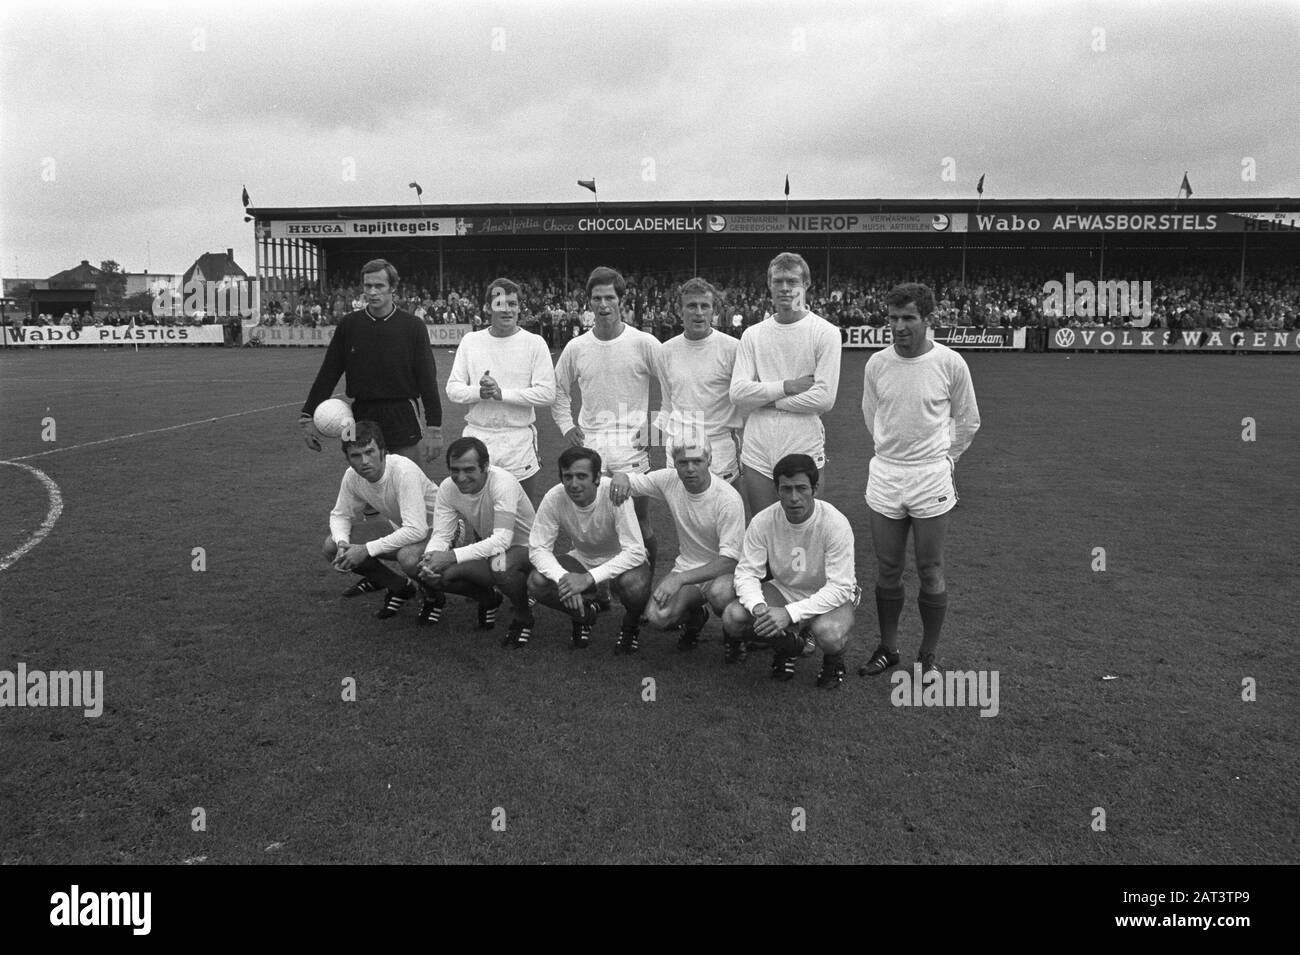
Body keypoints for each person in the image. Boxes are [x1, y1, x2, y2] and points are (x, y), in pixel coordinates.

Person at [858, 282, 980, 680]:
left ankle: (927, 654)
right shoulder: (877, 363)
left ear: (929, 320)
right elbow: (871, 414)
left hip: (931, 476)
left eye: (909, 318)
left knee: (930, 567)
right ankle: (888, 647)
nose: (899, 326)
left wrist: (945, 459)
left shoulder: (950, 363)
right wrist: (891, 452)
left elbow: (968, 420)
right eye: (893, 318)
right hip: (887, 474)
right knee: (888, 567)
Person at [552, 266, 667, 571]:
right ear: (588, 302)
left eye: (610, 297)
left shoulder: (645, 342)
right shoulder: (576, 347)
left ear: (621, 300)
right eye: (597, 298)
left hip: (632, 448)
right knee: (595, 523)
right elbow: (558, 390)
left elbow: (675, 390)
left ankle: (645, 591)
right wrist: (566, 427)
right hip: (591, 449)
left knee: (639, 522)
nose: (604, 305)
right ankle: (598, 590)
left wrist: (655, 429)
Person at [722, 453, 856, 689]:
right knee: (733, 617)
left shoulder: (835, 523)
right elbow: (746, 573)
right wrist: (759, 607)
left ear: (814, 489)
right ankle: (787, 646)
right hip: (784, 589)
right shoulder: (763, 521)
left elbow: (840, 587)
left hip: (829, 593)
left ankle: (833, 662)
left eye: (801, 488)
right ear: (777, 490)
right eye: (786, 489)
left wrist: (789, 613)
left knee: (829, 633)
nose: (794, 498)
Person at [300, 259, 443, 471]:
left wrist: (434, 429)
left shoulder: (413, 327)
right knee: (363, 483)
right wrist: (307, 417)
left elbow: (427, 380)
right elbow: (328, 373)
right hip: (360, 415)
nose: (373, 292)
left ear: (393, 288)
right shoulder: (349, 325)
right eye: (368, 286)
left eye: (379, 286)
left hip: (402, 413)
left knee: (408, 481)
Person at [729, 252, 841, 516]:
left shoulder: (825, 332)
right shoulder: (753, 334)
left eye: (792, 281)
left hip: (804, 441)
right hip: (758, 446)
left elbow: (824, 399)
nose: (785, 288)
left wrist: (766, 401)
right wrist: (788, 386)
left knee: (804, 530)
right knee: (763, 530)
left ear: (807, 285)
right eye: (778, 281)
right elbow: (737, 394)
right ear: (769, 285)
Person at [608, 435, 745, 650]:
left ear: (709, 460)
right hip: (689, 566)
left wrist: (679, 579)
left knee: (720, 594)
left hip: (724, 572)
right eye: (683, 463)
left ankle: (734, 638)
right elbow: (629, 481)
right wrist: (620, 476)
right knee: (657, 616)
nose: (690, 469)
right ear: (675, 463)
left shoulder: (728, 499)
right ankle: (696, 616)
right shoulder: (669, 480)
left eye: (697, 461)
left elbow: (730, 560)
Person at [411, 437, 537, 647]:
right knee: (437, 575)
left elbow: (502, 540)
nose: (460, 477)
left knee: (500, 564)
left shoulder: (503, 483)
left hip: (528, 551)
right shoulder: (447, 488)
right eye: (455, 470)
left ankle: (523, 617)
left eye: (469, 469)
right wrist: (430, 558)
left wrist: (450, 556)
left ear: (485, 467)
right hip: (491, 550)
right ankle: (488, 599)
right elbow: (442, 534)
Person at [527, 446, 651, 653]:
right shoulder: (554, 496)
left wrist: (587, 579)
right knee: (536, 582)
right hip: (582, 558)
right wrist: (563, 578)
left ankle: (630, 626)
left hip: (621, 561)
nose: (573, 484)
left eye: (581, 476)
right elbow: (538, 548)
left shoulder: (615, 492)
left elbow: (635, 552)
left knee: (635, 586)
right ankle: (583, 614)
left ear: (597, 477)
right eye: (568, 476)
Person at [445, 278, 556, 503]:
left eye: (513, 304)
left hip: (517, 440)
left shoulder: (534, 342)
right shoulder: (471, 341)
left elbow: (547, 393)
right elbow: (453, 389)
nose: (507, 310)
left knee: (521, 518)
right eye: (500, 304)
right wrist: (480, 392)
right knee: (480, 515)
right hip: (478, 437)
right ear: (487, 308)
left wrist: (501, 393)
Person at [323, 421, 439, 619]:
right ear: (348, 459)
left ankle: (435, 597)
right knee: (331, 546)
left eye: (370, 452)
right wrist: (343, 543)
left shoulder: (403, 471)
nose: (364, 461)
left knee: (408, 558)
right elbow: (340, 515)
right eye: (356, 456)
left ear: (383, 451)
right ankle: (400, 587)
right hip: (407, 529)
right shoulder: (352, 476)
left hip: (441, 531)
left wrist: (365, 549)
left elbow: (418, 529)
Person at [657, 278, 743, 486]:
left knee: (726, 514)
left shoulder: (733, 348)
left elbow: (746, 402)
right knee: (683, 516)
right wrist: (649, 435)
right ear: (680, 311)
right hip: (679, 448)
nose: (698, 312)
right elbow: (668, 403)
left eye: (705, 306)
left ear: (713, 311)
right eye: (691, 306)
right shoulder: (665, 351)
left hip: (720, 448)